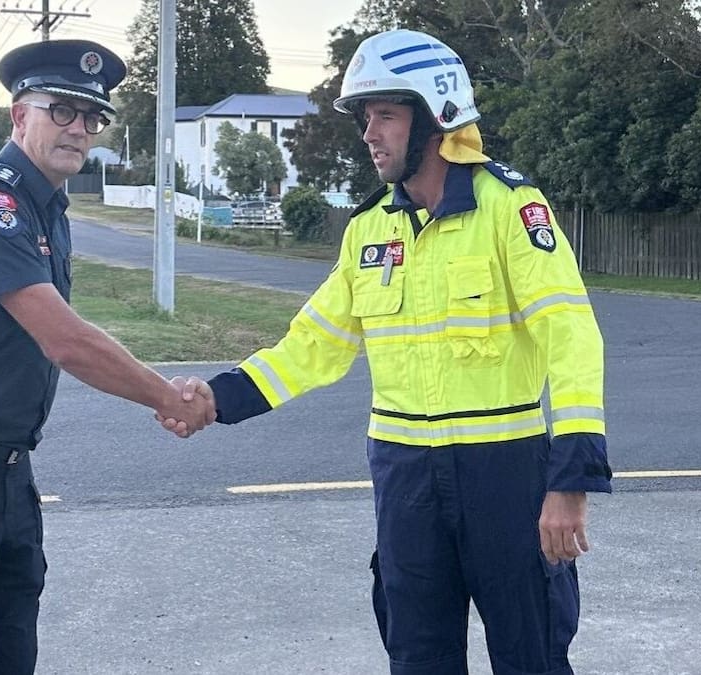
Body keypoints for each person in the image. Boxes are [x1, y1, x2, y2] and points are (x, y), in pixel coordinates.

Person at [164, 28, 612, 675]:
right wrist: (218, 397)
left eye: (386, 115)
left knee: (533, 655)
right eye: (366, 118)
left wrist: (570, 481)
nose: (369, 133)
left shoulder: (511, 210)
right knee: (418, 658)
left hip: (506, 477)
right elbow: (313, 346)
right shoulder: (368, 230)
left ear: (436, 117)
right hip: (406, 486)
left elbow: (571, 338)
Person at [0, 39, 212, 674]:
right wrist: (169, 397)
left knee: (5, 656)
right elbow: (66, 340)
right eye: (61, 110)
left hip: (6, 473)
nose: (78, 129)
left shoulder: (47, 207)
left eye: (92, 118)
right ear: (18, 115)